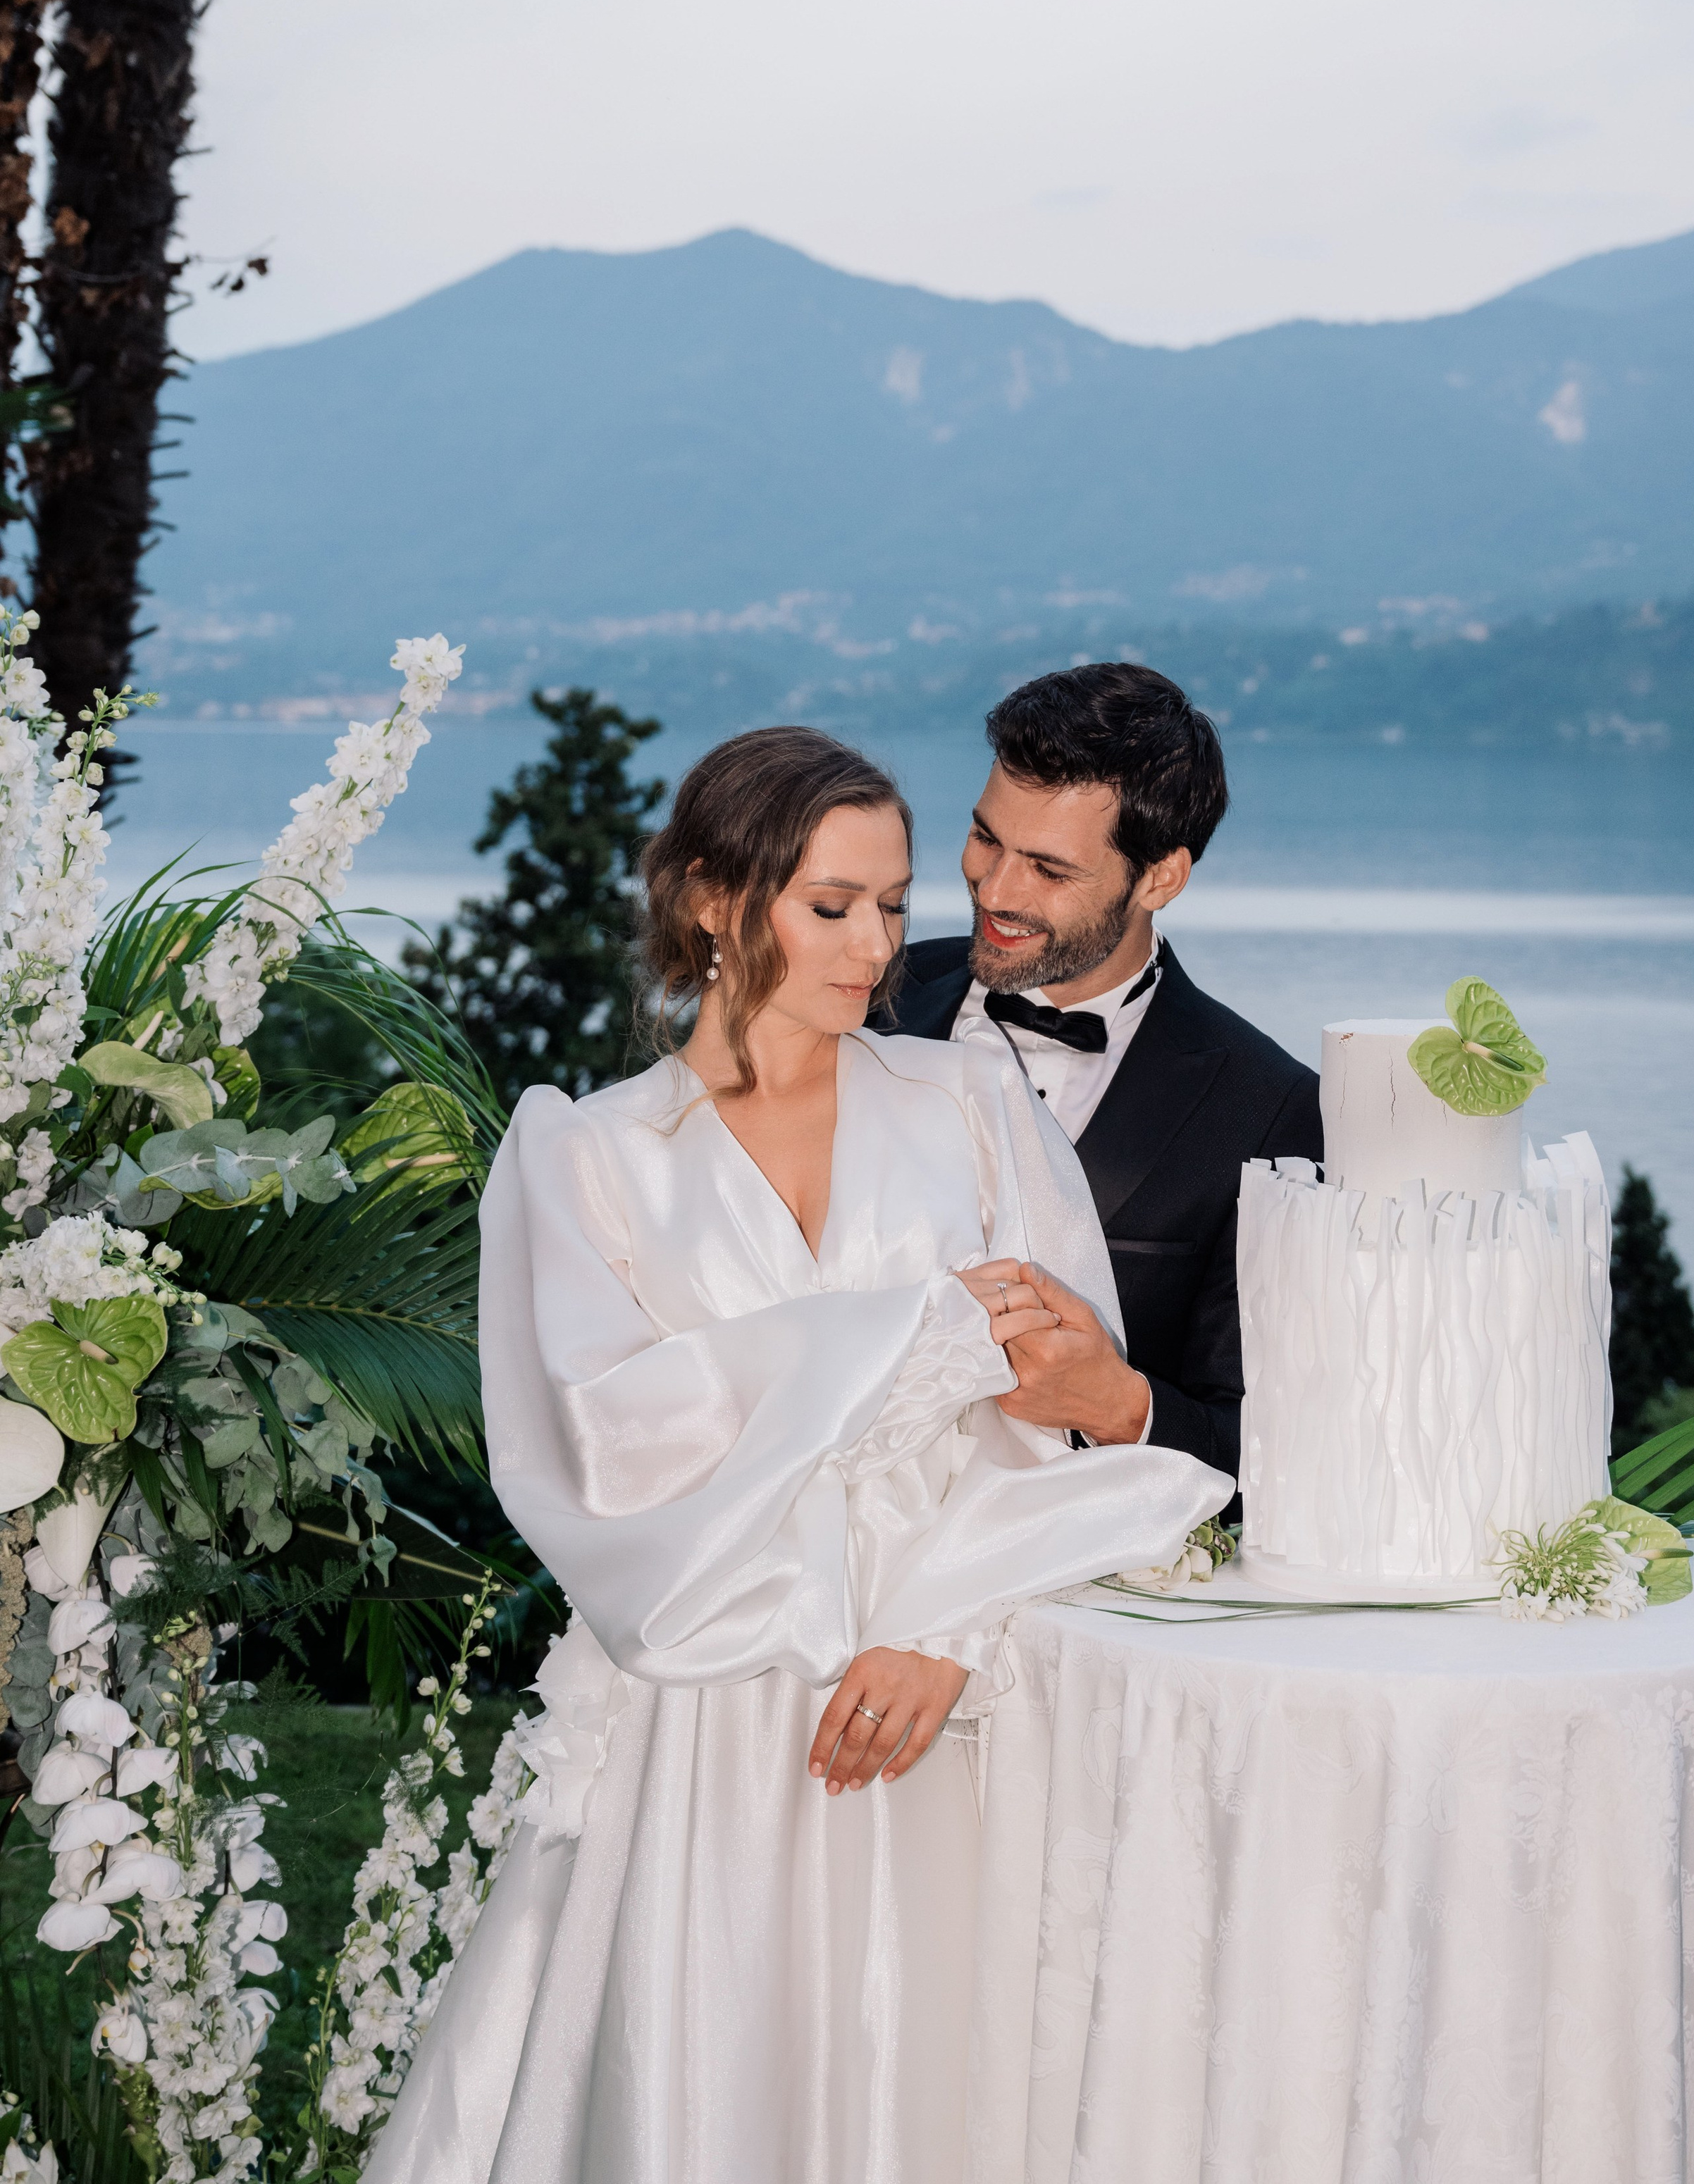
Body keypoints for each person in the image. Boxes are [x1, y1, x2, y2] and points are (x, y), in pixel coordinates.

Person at [368, 726, 1220, 2184]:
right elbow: (613, 1446)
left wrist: (944, 1626)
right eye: (832, 906)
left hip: (948, 1697)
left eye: (891, 905)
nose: (879, 945)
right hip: (714, 1714)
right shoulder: (586, 1160)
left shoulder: (971, 1108)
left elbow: (1051, 1410)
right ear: (712, 899)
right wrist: (926, 1334)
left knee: (952, 2082)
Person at [879, 663, 1322, 1479]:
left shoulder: (1269, 1109)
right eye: (985, 838)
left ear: (1161, 877)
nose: (995, 889)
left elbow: (1280, 1455)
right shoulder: (867, 996)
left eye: (1049, 869)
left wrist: (1119, 1405)